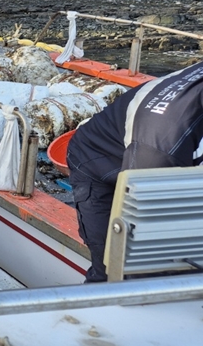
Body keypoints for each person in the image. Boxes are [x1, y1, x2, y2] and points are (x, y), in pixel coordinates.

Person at [66, 61, 203, 282]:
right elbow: (142, 230)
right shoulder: (163, 142)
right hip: (99, 159)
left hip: (158, 154)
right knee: (116, 270)